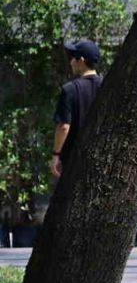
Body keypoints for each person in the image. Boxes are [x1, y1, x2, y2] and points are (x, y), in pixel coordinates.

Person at [51, 40, 104, 179]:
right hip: (101, 157)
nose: (71, 62)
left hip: (73, 160)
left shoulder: (70, 90)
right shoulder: (107, 86)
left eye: (73, 58)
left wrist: (56, 155)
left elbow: (63, 126)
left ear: (81, 60)